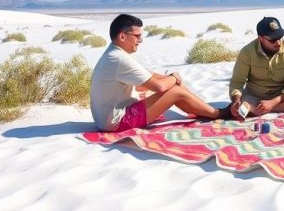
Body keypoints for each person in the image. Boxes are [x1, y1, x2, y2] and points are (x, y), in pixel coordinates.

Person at [90, 13, 224, 132]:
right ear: (122, 36)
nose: (140, 40)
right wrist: (174, 77)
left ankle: (201, 109)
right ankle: (216, 113)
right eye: (137, 36)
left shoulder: (114, 54)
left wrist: (170, 79)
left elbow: (146, 78)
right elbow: (159, 86)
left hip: (106, 120)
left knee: (170, 84)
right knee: (176, 91)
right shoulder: (118, 58)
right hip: (116, 123)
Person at [227, 16, 284, 120]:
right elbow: (237, 82)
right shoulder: (247, 52)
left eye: (280, 37)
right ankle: (251, 107)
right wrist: (236, 101)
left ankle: (255, 110)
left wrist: (272, 103)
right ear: (260, 38)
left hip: (280, 99)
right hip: (253, 97)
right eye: (273, 40)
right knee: (241, 106)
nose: (278, 43)